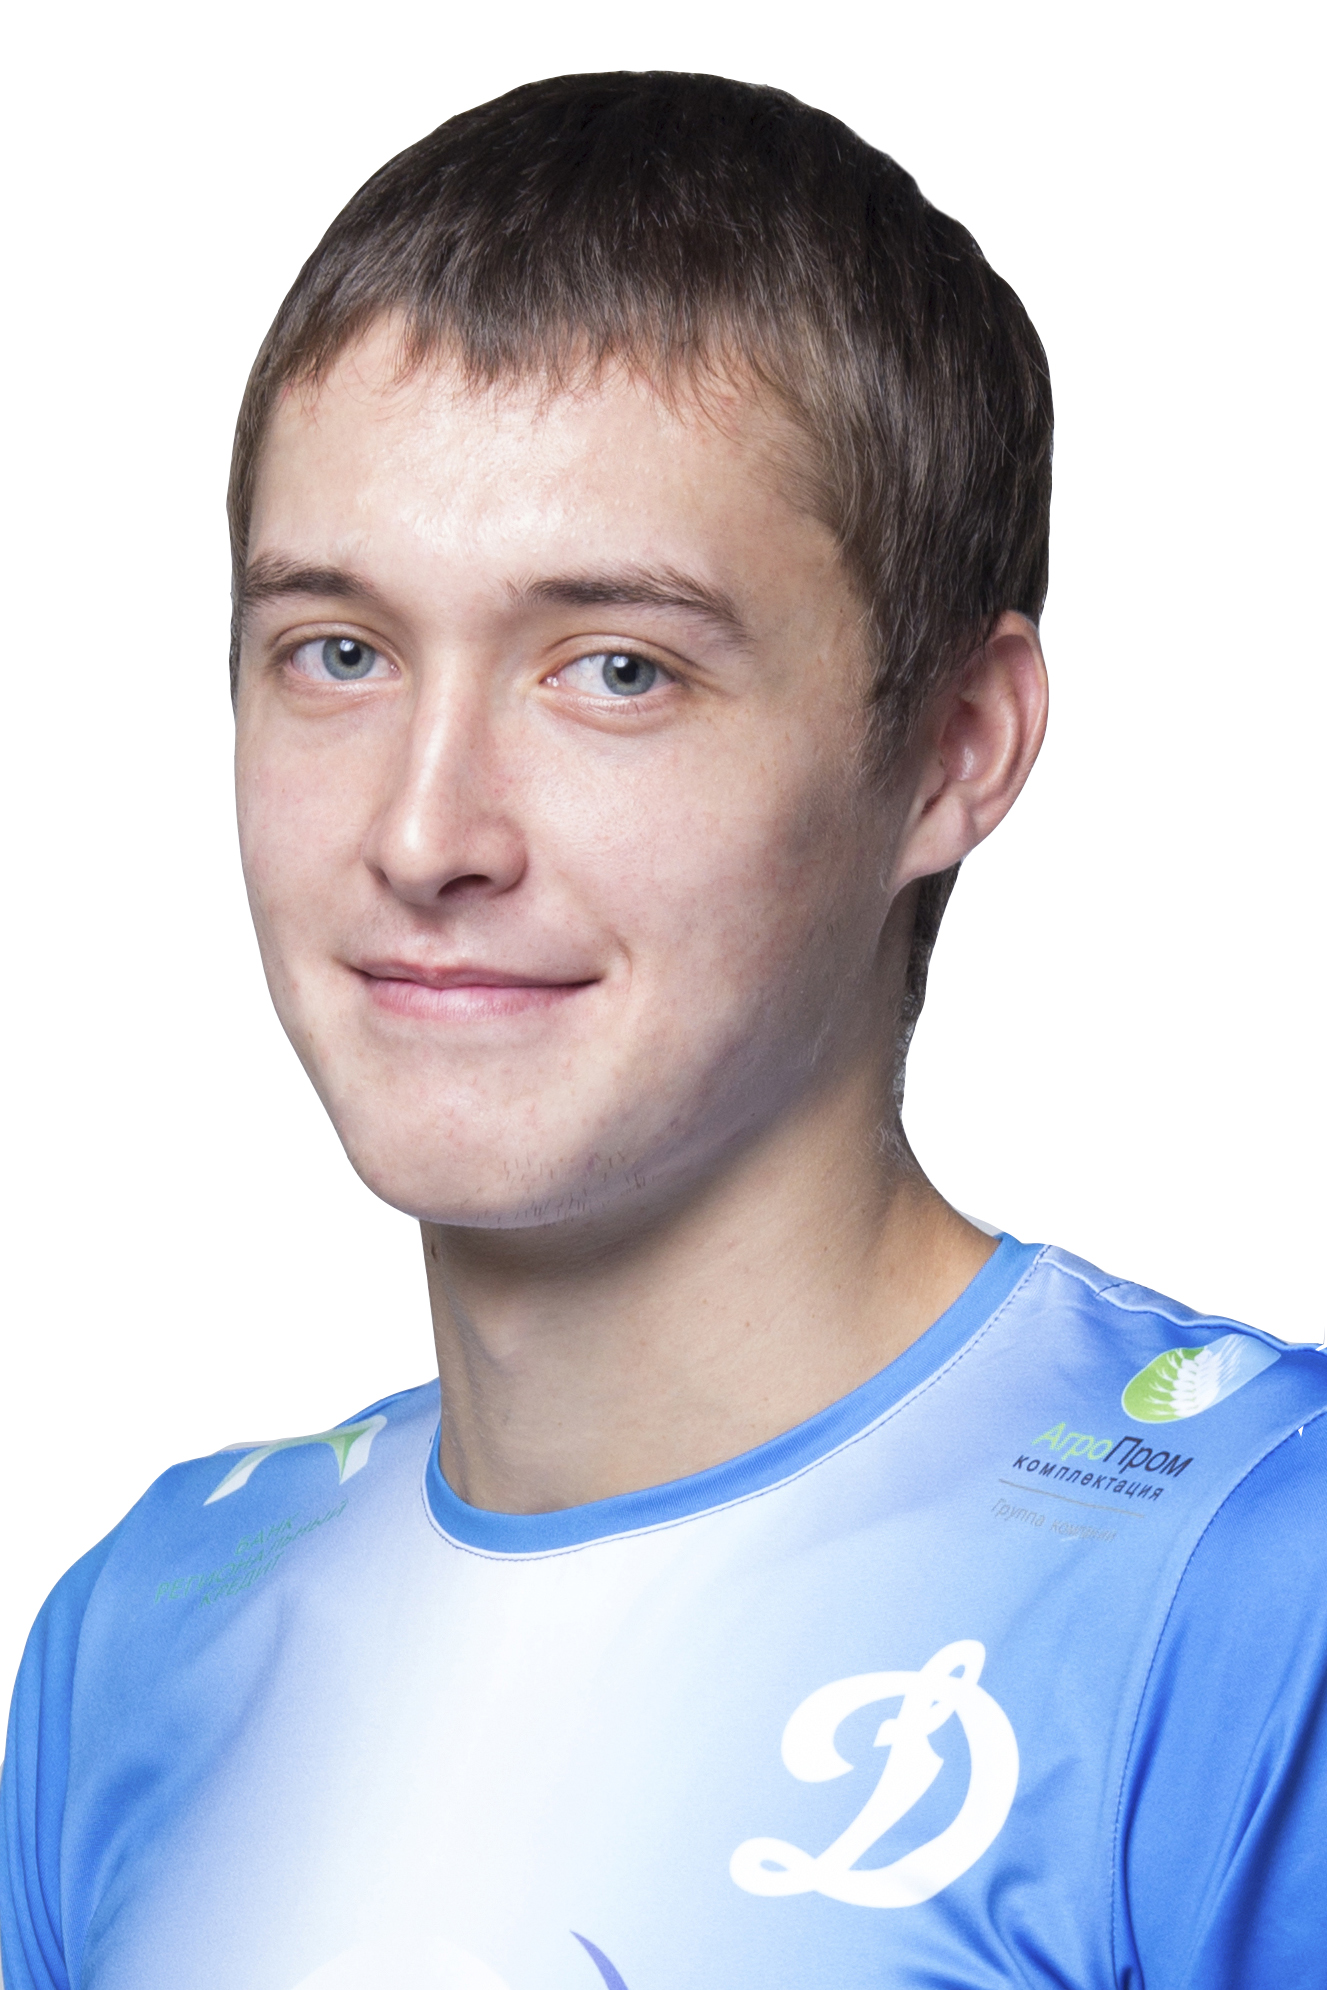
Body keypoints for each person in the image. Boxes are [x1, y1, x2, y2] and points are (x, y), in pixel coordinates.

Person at [3, 69, 1325, 1990]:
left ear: (956, 748)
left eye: (616, 668)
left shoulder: (1254, 1594)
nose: (423, 834)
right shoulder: (137, 1634)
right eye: (339, 651)